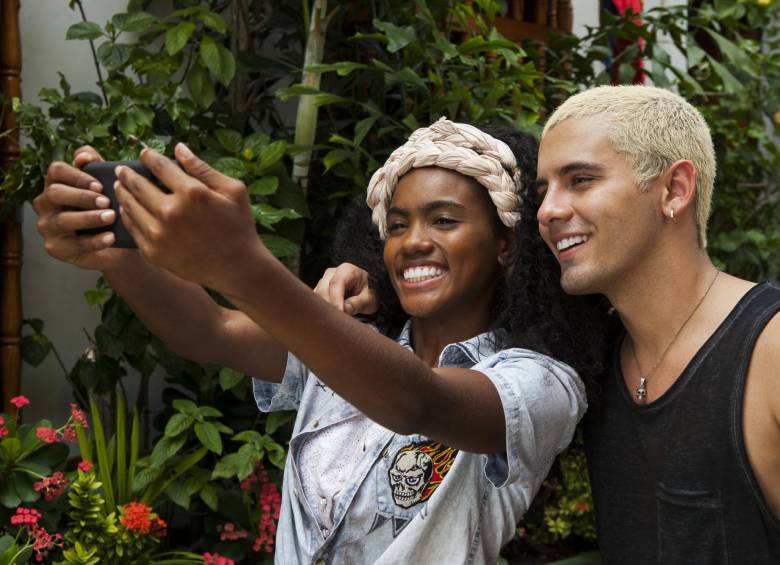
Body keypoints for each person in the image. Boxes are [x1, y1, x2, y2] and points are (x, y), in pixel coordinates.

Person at [33, 118, 610, 563]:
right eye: (399, 223)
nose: (412, 242)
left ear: (506, 246)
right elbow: (208, 331)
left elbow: (419, 402)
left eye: (443, 220)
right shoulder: (345, 339)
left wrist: (242, 266)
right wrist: (116, 255)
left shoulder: (541, 384)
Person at [328, 86, 780, 564]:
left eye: (581, 180)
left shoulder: (766, 349)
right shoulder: (600, 357)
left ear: (674, 190)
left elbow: (418, 400)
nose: (546, 212)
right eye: (543, 193)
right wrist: (375, 283)